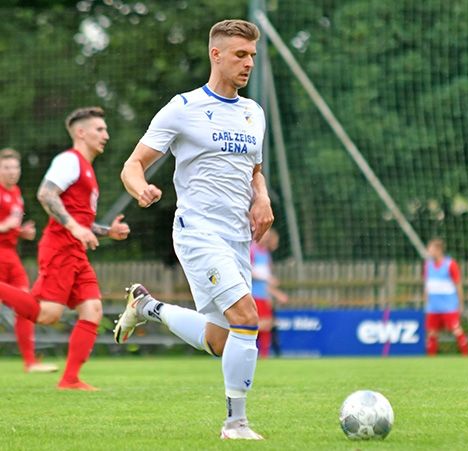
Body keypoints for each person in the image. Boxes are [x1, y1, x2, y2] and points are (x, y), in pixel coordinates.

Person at [113, 19, 273, 440]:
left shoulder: (253, 112)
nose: (248, 64)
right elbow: (132, 164)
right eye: (240, 55)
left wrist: (263, 197)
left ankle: (147, 308)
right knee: (247, 318)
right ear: (215, 54)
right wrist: (140, 187)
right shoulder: (182, 108)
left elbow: (254, 170)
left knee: (223, 340)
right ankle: (235, 424)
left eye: (252, 56)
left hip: (237, 237)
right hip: (198, 231)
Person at [0, 107, 130, 390]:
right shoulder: (69, 160)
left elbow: (83, 221)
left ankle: (70, 379)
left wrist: (109, 232)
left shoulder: (87, 170)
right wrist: (73, 227)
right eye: (100, 129)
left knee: (93, 309)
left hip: (76, 251)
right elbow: (46, 193)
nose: (106, 135)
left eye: (106, 130)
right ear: (81, 132)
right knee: (48, 314)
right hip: (60, 247)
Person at [0, 148, 58, 373]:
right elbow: (4, 225)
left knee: (25, 305)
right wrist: (6, 226)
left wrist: (21, 232)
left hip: (11, 257)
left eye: (16, 167)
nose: (12, 172)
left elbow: (9, 227)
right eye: (6, 167)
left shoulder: (16, 192)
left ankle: (30, 362)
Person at [423, 238, 468, 356]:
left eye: (431, 248)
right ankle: (431, 360)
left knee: (456, 330)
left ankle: (466, 356)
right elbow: (427, 285)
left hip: (449, 305)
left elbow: (458, 285)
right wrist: (426, 302)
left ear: (438, 250)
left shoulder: (450, 264)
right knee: (432, 333)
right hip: (433, 306)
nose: (429, 251)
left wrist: (461, 303)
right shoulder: (428, 265)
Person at [250, 228, 287, 358]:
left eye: (268, 234)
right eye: (264, 233)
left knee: (267, 325)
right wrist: (267, 278)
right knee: (260, 324)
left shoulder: (266, 254)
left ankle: (264, 355)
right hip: (252, 294)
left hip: (263, 295)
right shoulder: (251, 250)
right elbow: (248, 270)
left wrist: (273, 294)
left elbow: (266, 280)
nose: (265, 237)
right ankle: (248, 352)